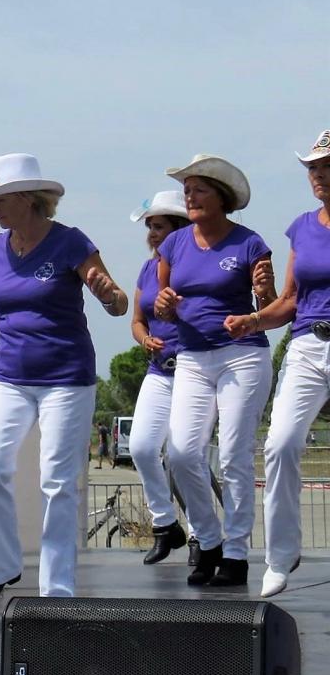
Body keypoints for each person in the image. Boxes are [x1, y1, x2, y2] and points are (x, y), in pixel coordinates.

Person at [0, 153, 127, 603]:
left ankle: (56, 591)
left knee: (56, 482)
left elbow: (117, 303)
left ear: (29, 198)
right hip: (9, 377)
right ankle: (0, 566)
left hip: (66, 379)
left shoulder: (70, 242)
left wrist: (109, 296)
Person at [156, 154, 275, 588]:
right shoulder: (174, 244)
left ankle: (237, 552)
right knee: (182, 453)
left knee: (233, 455)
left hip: (241, 354)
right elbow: (164, 307)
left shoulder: (249, 243)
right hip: (191, 356)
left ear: (221, 197)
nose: (189, 197)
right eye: (186, 190)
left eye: (198, 189)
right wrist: (164, 308)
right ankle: (207, 540)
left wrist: (262, 292)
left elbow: (271, 304)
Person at [223, 131, 330, 596]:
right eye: (313, 169)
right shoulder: (302, 227)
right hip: (309, 343)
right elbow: (290, 299)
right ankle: (281, 557)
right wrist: (253, 320)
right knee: (281, 444)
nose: (319, 176)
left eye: (327, 168)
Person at [126, 190, 191, 564]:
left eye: (159, 226)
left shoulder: (192, 267)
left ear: (178, 229)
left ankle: (202, 535)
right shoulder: (147, 269)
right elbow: (136, 320)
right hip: (158, 369)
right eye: (149, 226)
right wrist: (143, 339)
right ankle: (166, 525)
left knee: (186, 456)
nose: (152, 233)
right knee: (142, 448)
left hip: (192, 371)